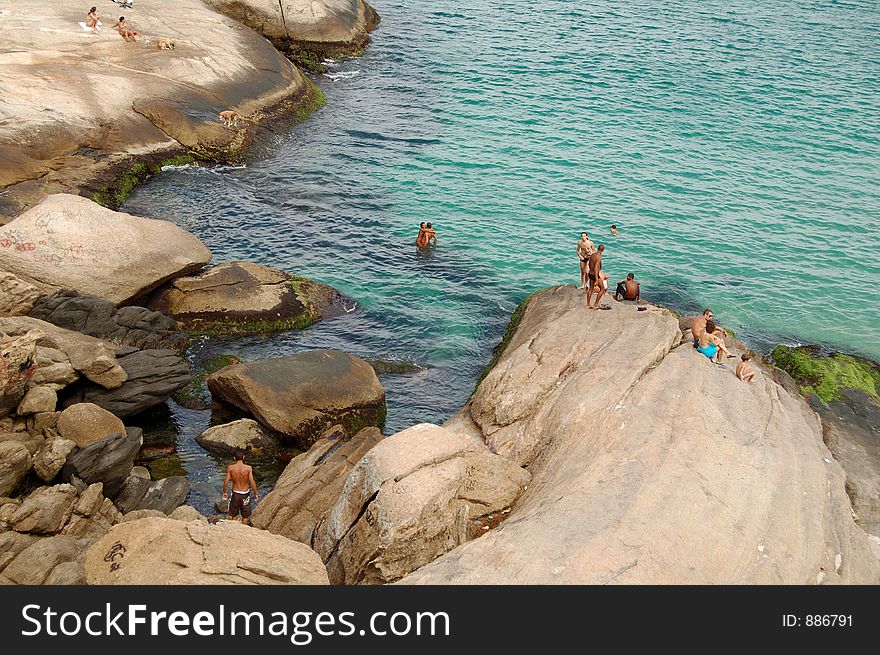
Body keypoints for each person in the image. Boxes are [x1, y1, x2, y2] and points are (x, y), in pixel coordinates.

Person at [221, 451, 259, 525]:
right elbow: (252, 482)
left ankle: (234, 530)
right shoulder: (248, 468)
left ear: (234, 458)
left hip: (235, 494)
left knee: (234, 515)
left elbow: (226, 481)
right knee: (245, 516)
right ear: (243, 457)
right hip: (245, 494)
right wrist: (255, 493)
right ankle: (243, 531)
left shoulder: (231, 468)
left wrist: (224, 492)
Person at [585, 245, 606, 309]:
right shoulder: (598, 257)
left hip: (590, 273)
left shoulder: (593, 255)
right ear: (603, 250)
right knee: (602, 289)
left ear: (598, 248)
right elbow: (596, 269)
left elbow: (589, 263)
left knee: (591, 289)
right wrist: (597, 279)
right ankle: (595, 304)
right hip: (595, 275)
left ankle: (588, 304)